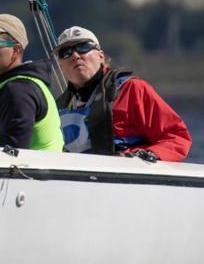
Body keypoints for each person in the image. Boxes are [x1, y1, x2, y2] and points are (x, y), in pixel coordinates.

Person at [52, 26, 191, 162]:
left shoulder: (132, 89)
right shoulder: (58, 108)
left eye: (83, 47)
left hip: (128, 176)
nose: (75, 56)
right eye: (65, 53)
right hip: (81, 179)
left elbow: (176, 136)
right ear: (61, 67)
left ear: (101, 56)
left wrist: (147, 156)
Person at [0, 14, 63, 152]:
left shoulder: (17, 91)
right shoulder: (21, 85)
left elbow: (14, 153)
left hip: (29, 173)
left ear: (16, 50)